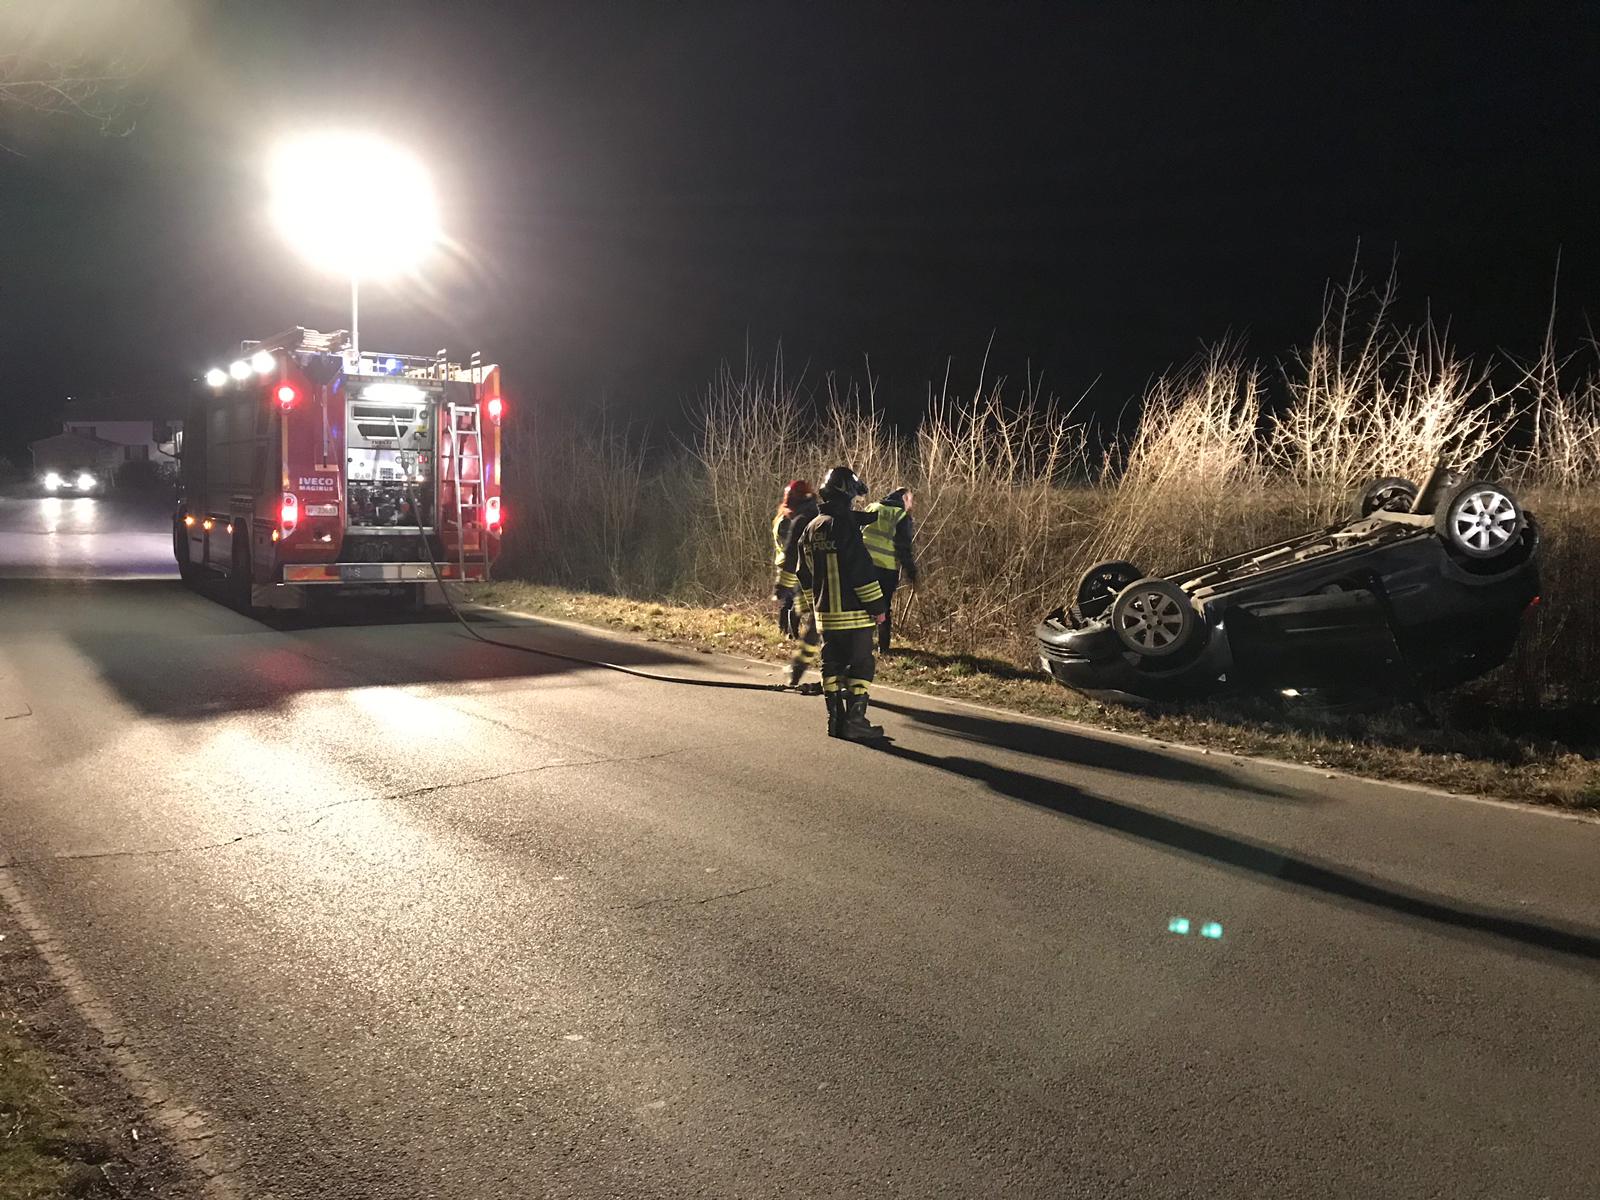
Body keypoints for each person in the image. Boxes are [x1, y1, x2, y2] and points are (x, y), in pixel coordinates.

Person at [777, 465, 888, 740]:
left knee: (833, 664)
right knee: (861, 666)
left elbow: (804, 572)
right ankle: (855, 722)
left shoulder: (812, 528)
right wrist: (878, 608)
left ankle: (835, 721)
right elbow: (861, 571)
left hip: (825, 616)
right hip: (855, 615)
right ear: (847, 492)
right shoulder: (845, 527)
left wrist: (813, 606)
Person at [771, 479, 820, 688]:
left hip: (810, 582)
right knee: (821, 628)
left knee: (815, 627)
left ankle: (797, 670)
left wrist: (781, 587)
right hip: (832, 582)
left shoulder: (801, 520)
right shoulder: (822, 514)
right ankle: (839, 674)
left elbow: (791, 557)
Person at [860, 486, 920, 653]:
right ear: (904, 500)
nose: (911, 505)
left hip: (863, 566)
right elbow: (903, 548)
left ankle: (861, 643)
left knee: (862, 604)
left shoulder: (872, 507)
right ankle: (883, 647)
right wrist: (912, 574)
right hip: (885, 568)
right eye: (910, 500)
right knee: (883, 606)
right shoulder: (901, 516)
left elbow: (857, 533)